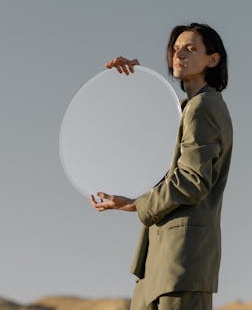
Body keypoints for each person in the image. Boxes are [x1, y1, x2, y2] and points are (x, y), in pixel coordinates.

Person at [90, 22, 233, 310]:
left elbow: (192, 181)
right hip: (160, 259)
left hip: (181, 259)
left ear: (212, 60)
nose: (180, 55)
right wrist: (133, 82)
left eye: (191, 49)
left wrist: (137, 204)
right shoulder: (185, 108)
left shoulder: (204, 106)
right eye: (176, 49)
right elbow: (144, 138)